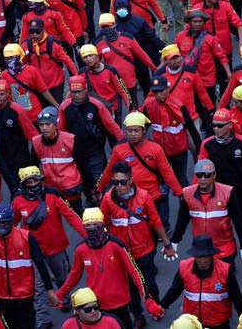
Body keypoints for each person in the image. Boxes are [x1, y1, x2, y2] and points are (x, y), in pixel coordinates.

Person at [54, 207, 163, 329]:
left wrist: (147, 298)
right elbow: (75, 275)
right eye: (88, 225)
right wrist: (60, 294)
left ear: (102, 224)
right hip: (96, 303)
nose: (92, 228)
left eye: (95, 224)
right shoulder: (80, 250)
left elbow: (134, 272)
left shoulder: (116, 245)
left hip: (120, 301)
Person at [101, 161, 176, 325]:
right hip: (122, 253)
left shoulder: (144, 196)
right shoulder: (107, 200)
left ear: (130, 179)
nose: (119, 186)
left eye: (123, 182)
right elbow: (103, 224)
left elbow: (156, 221)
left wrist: (167, 244)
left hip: (145, 250)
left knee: (149, 282)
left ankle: (155, 306)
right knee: (131, 286)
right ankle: (138, 315)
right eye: (115, 182)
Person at [12, 166, 86, 326]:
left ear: (40, 180)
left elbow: (71, 217)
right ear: (23, 184)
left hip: (56, 247)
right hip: (32, 251)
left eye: (35, 180)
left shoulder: (53, 195)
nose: (32, 184)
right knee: (38, 287)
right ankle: (43, 319)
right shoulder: (17, 200)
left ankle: (64, 297)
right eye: (29, 181)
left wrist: (87, 236)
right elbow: (13, 224)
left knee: (62, 276)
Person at [0, 203, 57, 329]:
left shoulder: (26, 237)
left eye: (5, 222)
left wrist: (49, 291)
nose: (2, 226)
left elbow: (40, 264)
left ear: (12, 221)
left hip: (24, 295)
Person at [98, 111, 183, 229]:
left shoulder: (156, 149)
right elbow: (108, 171)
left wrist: (180, 193)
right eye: (129, 131)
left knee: (153, 228)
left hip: (152, 197)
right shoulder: (119, 150)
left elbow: (167, 173)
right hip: (129, 198)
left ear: (144, 131)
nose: (133, 134)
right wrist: (99, 189)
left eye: (136, 130)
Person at [198, 109, 242, 246]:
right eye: (214, 125)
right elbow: (200, 171)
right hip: (218, 194)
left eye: (220, 125)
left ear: (230, 125)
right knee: (219, 228)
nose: (216, 129)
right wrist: (194, 193)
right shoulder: (207, 144)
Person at [171, 158, 242, 265]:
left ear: (214, 175)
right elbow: (183, 219)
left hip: (224, 249)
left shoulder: (227, 192)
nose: (203, 178)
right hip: (201, 250)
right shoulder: (187, 193)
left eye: (207, 175)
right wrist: (175, 240)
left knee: (226, 280)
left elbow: (238, 221)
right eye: (199, 175)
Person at [160, 235, 242, 329]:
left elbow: (237, 298)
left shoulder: (225, 270)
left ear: (211, 255)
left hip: (219, 323)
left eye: (206, 256)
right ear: (194, 255)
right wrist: (163, 305)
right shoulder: (184, 268)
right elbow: (175, 289)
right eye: (199, 256)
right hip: (192, 322)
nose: (202, 260)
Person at [0, 79, 39, 176]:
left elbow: (31, 132)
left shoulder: (18, 110)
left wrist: (42, 148)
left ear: (8, 94)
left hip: (17, 155)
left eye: (2, 94)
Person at [1, 43, 59, 123]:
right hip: (18, 116)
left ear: (19, 56)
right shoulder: (4, 75)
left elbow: (43, 90)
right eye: (6, 58)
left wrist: (56, 106)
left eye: (11, 57)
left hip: (35, 114)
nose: (9, 60)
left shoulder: (31, 71)